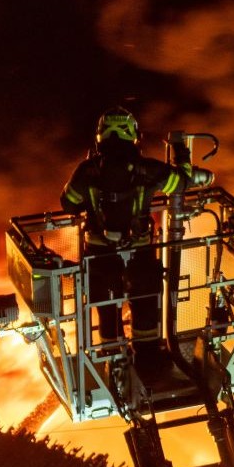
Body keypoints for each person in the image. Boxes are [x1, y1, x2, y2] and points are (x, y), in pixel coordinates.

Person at [59, 107, 212, 363]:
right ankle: (148, 356)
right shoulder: (148, 169)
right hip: (139, 251)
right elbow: (181, 183)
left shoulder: (86, 171)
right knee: (145, 303)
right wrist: (182, 152)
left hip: (99, 253)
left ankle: (112, 357)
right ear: (133, 135)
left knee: (107, 306)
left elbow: (68, 203)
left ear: (100, 136)